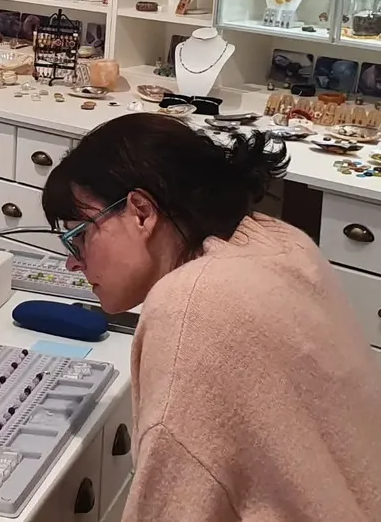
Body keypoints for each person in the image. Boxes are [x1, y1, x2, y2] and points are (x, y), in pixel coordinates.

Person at [41, 114, 381, 522]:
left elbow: (172, 507)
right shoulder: (277, 239)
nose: (72, 263)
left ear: (142, 212)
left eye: (80, 235)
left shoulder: (191, 305)